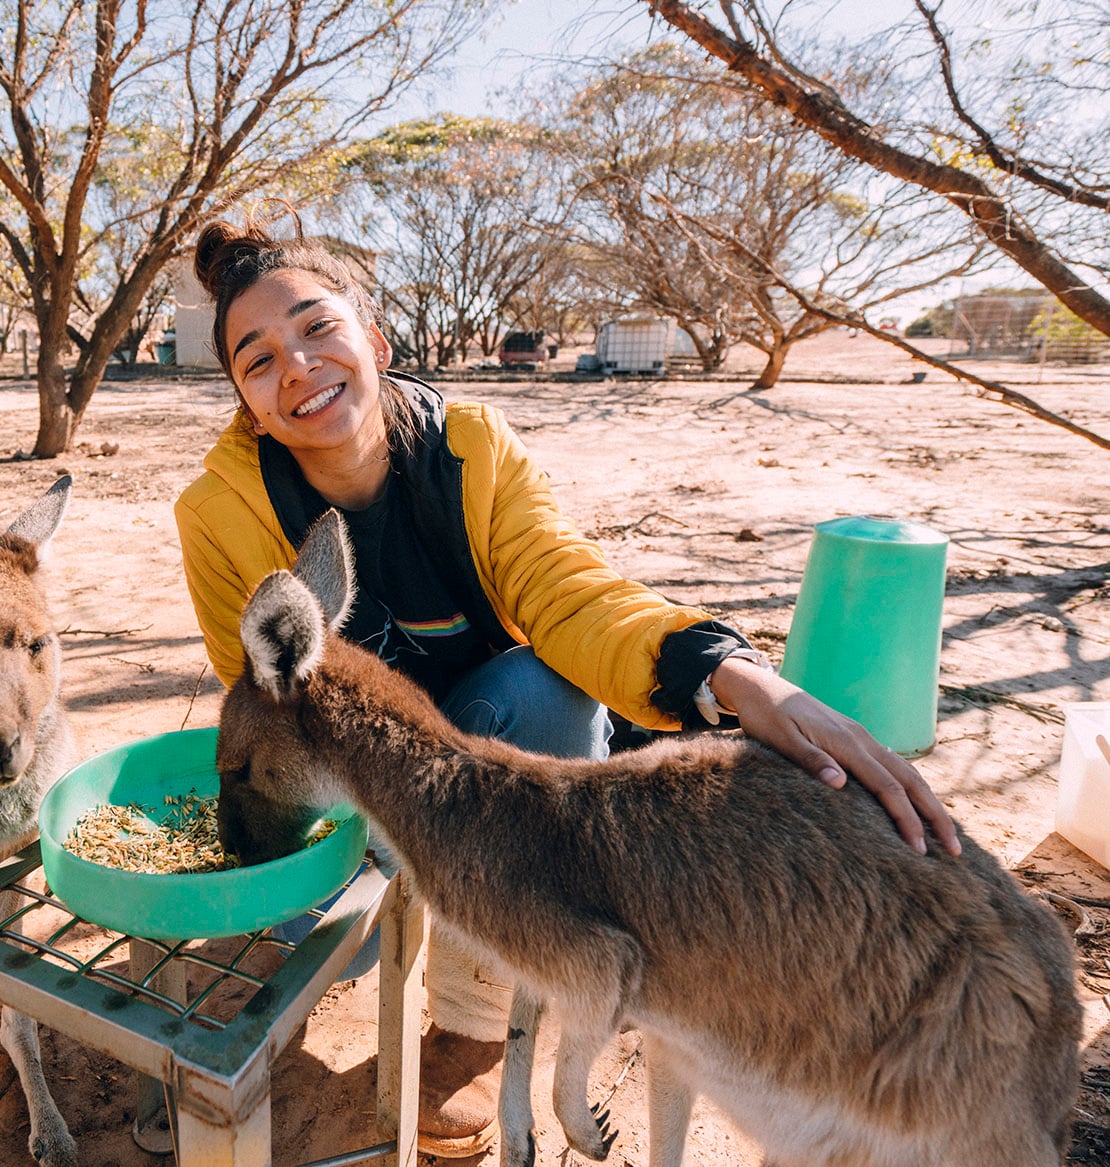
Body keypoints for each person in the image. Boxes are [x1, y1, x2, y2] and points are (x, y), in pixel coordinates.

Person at [172, 208, 961, 1158]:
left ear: (373, 338)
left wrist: (730, 670)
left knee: (544, 687)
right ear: (244, 402)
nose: (295, 367)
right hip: (363, 761)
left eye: (316, 327)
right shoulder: (219, 510)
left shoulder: (471, 448)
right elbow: (252, 684)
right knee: (276, 851)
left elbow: (567, 587)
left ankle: (468, 1014)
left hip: (499, 762)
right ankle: (380, 902)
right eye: (257, 361)